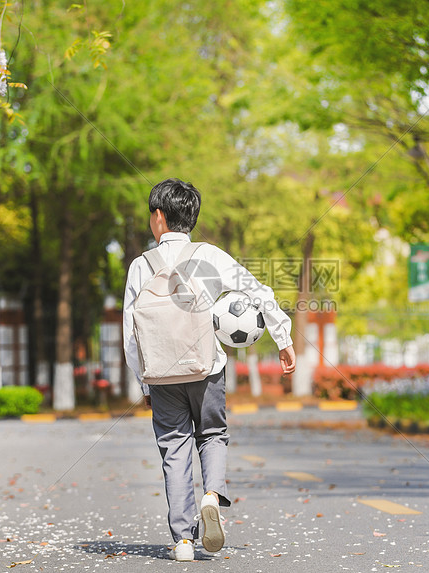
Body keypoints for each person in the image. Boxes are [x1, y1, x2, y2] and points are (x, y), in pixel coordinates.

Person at [122, 178, 297, 562]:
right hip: (206, 368)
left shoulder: (140, 266)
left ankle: (183, 540)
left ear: (158, 218)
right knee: (213, 434)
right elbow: (260, 293)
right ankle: (211, 495)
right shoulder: (210, 256)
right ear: (191, 218)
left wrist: (144, 381)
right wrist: (283, 339)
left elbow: (129, 333)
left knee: (173, 448)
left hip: (162, 375)